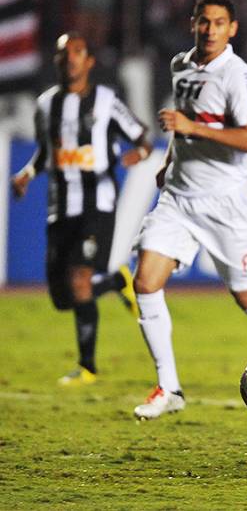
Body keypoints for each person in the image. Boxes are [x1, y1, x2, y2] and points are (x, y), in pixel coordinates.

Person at [131, 0, 247, 422]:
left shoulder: (238, 75)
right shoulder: (180, 66)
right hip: (177, 197)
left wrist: (193, 127)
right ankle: (169, 387)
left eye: (218, 23)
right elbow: (183, 124)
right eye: (203, 21)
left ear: (232, 29)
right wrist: (168, 160)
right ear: (194, 23)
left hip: (223, 205)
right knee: (145, 282)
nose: (209, 30)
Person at [10, 31, 148, 386]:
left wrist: (140, 154)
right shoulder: (45, 105)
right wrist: (27, 174)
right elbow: (46, 153)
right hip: (60, 207)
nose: (69, 58)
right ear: (56, 61)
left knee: (80, 279)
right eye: (63, 53)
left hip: (97, 203)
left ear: (89, 61)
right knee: (62, 298)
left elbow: (141, 135)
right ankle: (118, 279)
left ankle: (87, 367)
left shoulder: (105, 101)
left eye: (76, 52)